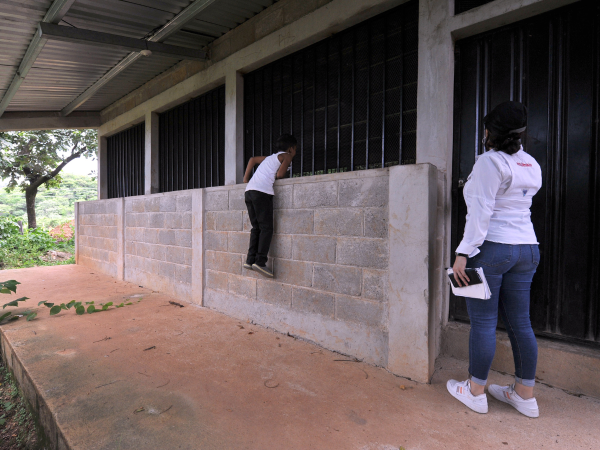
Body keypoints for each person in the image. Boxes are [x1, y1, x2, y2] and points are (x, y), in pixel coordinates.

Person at [447, 101, 543, 418]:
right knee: (521, 323)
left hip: (492, 250)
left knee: (485, 323)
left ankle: (475, 392)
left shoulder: (490, 162)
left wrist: (463, 253)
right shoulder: (530, 163)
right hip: (528, 249)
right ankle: (525, 395)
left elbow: (481, 213)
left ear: (489, 132)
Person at [242, 134, 297, 278]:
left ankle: (250, 260)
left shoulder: (269, 158)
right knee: (266, 228)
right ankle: (260, 262)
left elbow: (253, 160)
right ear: (291, 148)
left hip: (249, 191)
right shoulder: (287, 156)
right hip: (261, 193)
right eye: (295, 148)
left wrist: (245, 179)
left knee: (257, 227)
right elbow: (280, 175)